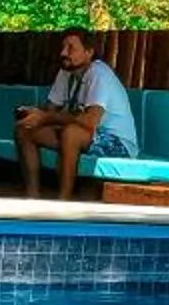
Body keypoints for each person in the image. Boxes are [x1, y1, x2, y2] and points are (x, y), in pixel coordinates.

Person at [15, 29, 139, 198]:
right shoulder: (66, 72)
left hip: (117, 144)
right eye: (63, 47)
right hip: (85, 134)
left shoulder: (99, 74)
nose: (63, 53)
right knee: (25, 128)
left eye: (71, 48)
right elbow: (51, 109)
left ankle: (64, 201)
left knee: (71, 133)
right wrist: (35, 114)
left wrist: (47, 118)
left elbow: (90, 121)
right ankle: (33, 196)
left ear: (89, 52)